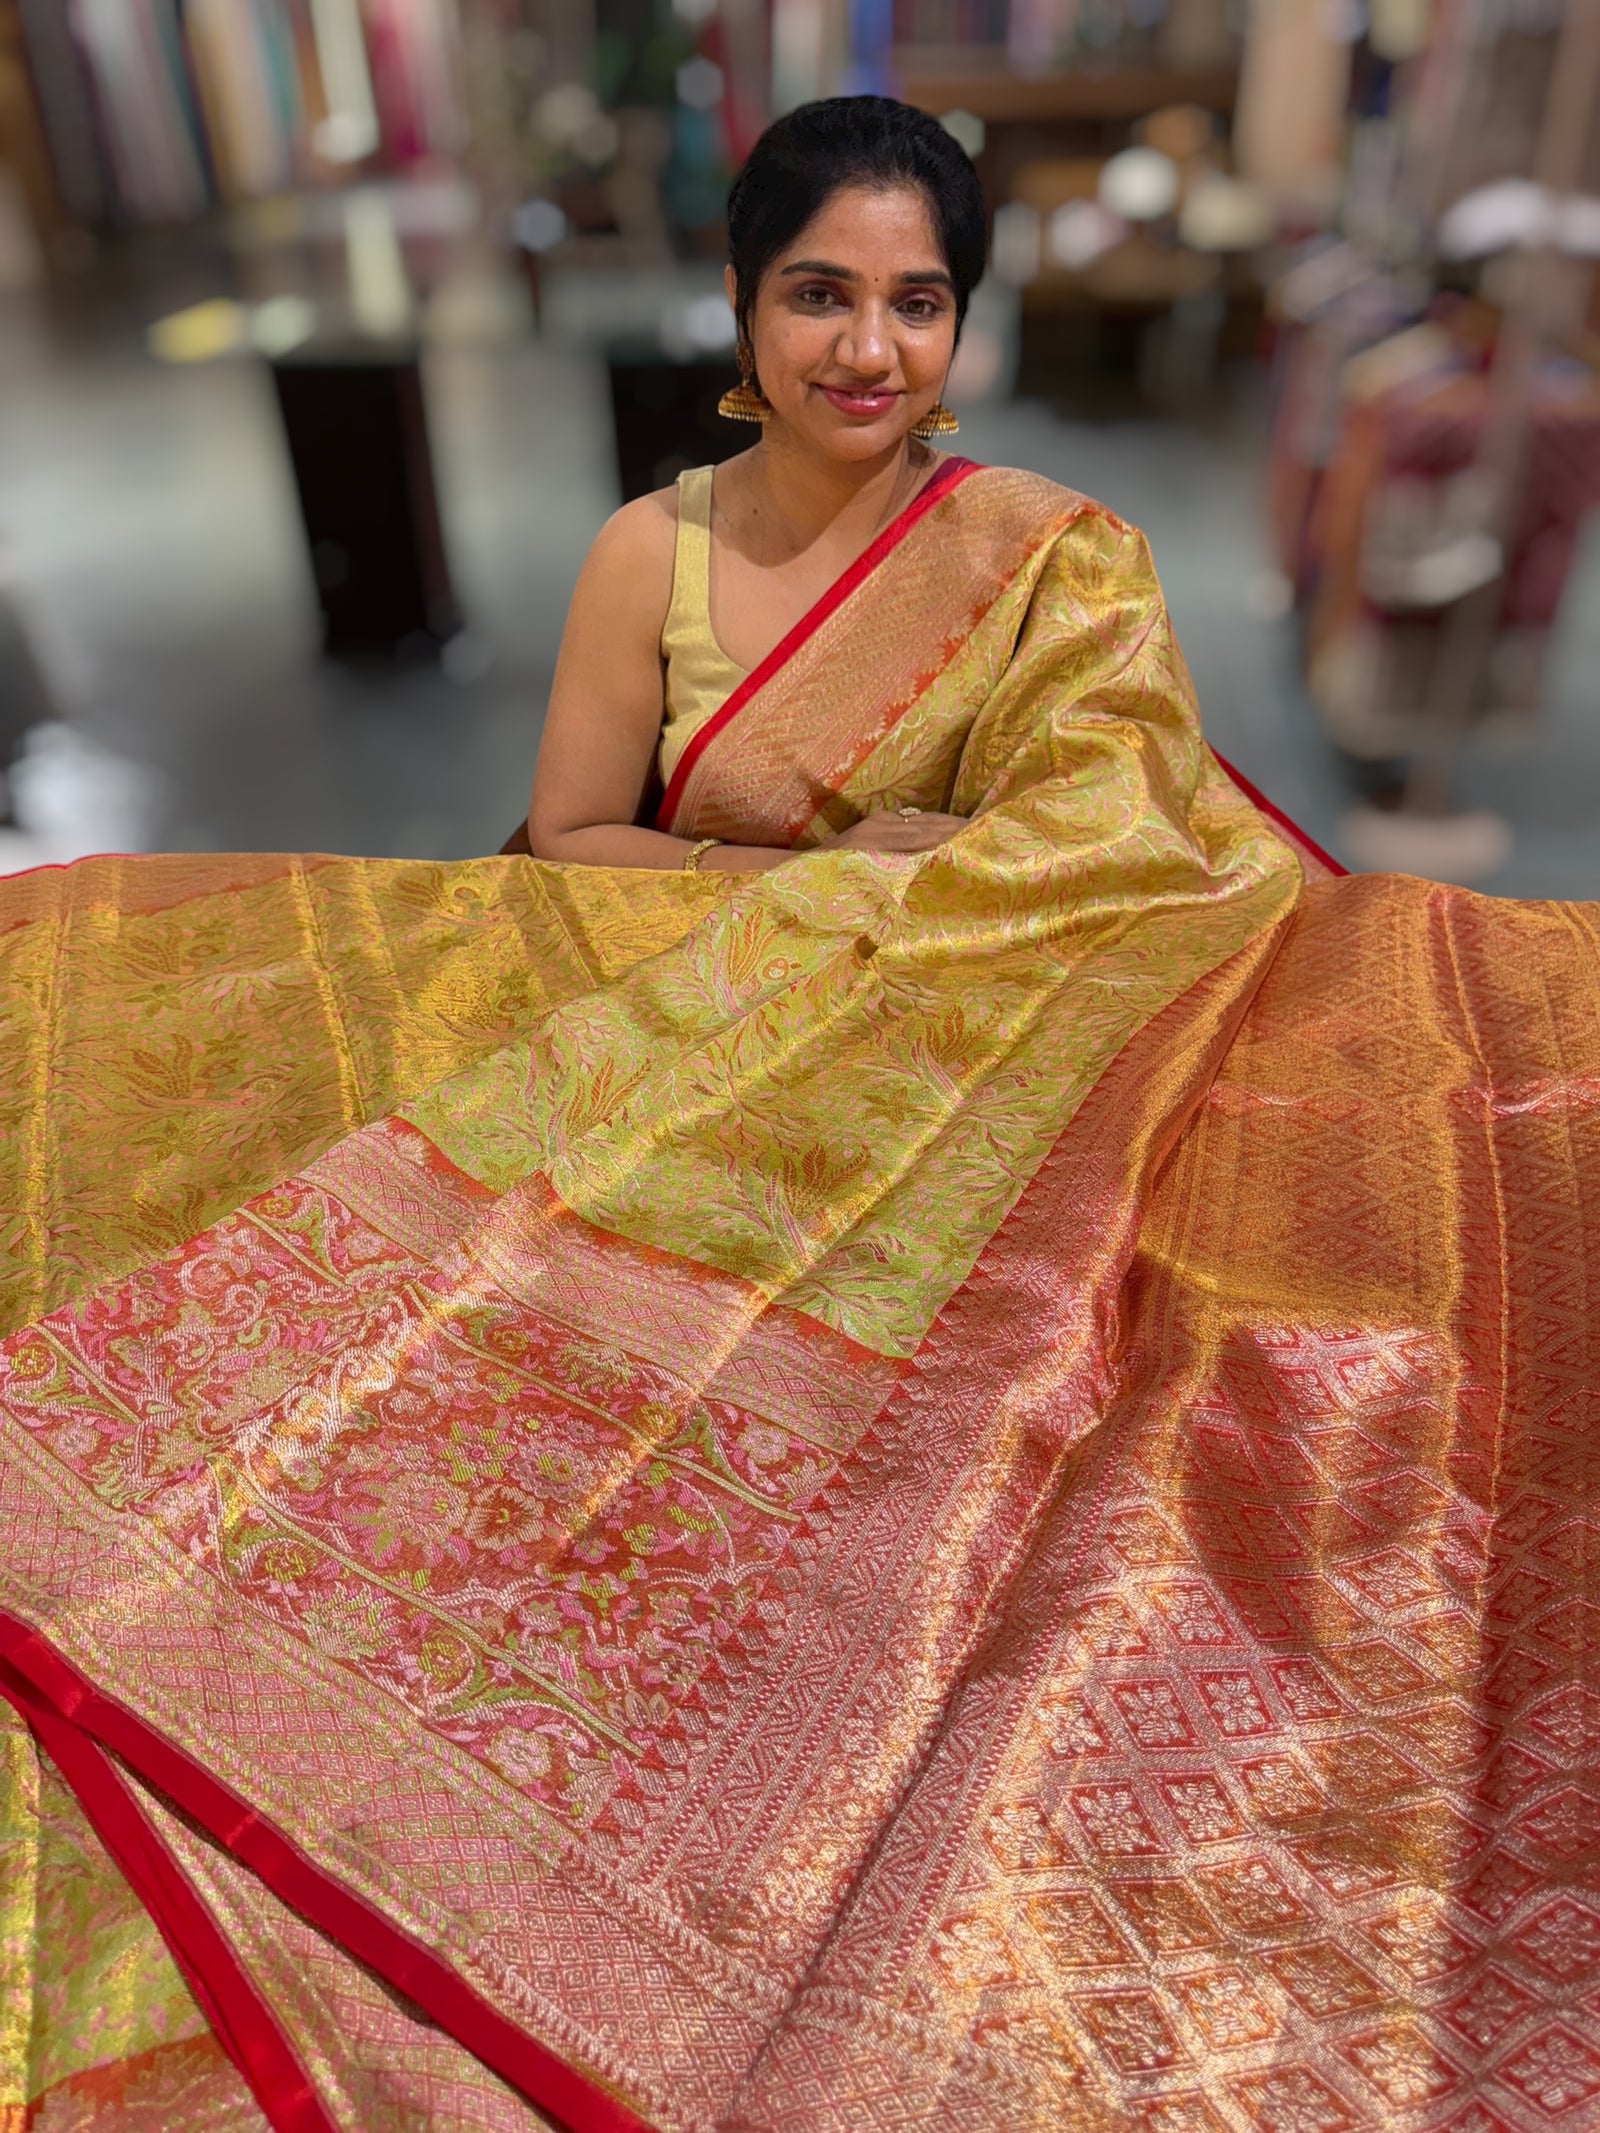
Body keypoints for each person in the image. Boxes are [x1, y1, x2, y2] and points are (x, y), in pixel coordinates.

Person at [0, 96, 1596, 2133]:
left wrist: (947, 907)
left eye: (914, 302)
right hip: (705, 1067)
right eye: (816, 295)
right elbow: (569, 839)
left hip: (981, 1095)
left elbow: (1120, 857)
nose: (866, 350)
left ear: (962, 326)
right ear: (739, 311)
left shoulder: (1048, 566)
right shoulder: (647, 553)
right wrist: (859, 885)